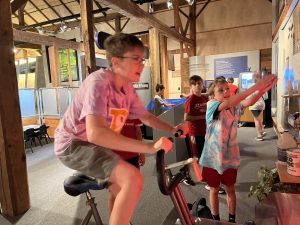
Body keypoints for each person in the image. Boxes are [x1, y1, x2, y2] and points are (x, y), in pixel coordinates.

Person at [54, 33, 187, 225]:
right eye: (136, 59)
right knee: (133, 179)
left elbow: (146, 117)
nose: (141, 65)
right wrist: (150, 147)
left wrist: (173, 129)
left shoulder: (127, 88)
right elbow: (96, 133)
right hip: (72, 145)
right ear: (116, 62)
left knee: (121, 189)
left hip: (93, 145)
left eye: (142, 60)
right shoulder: (98, 83)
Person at [199, 74, 277, 223]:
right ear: (213, 95)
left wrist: (264, 88)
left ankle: (231, 219)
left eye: (227, 89)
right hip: (212, 158)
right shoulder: (212, 106)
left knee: (230, 189)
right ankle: (216, 219)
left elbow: (249, 101)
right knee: (214, 190)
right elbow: (234, 101)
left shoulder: (234, 107)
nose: (225, 91)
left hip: (230, 158)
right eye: (220, 90)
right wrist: (257, 86)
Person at [183, 75, 207, 184]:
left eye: (200, 83)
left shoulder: (203, 98)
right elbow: (186, 117)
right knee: (194, 157)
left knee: (202, 155)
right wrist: (202, 117)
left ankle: (202, 176)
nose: (198, 86)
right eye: (195, 84)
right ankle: (185, 175)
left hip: (204, 131)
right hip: (194, 132)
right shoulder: (190, 100)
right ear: (191, 86)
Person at [249, 72, 267, 141]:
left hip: (254, 105)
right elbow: (265, 96)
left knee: (256, 120)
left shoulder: (251, 86)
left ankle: (260, 135)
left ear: (254, 79)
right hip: (261, 104)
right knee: (259, 118)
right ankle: (262, 131)